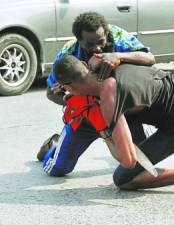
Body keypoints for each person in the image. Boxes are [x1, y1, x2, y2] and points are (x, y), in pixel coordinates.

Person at [52, 55, 174, 194]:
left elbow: (127, 160)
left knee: (123, 178)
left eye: (66, 90)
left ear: (69, 87)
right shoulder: (103, 61)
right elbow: (150, 58)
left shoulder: (108, 99)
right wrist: (119, 55)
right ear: (84, 65)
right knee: (132, 122)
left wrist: (102, 130)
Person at [37, 12, 155, 176]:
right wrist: (73, 98)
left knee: (144, 164)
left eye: (101, 42)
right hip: (88, 114)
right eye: (90, 45)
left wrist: (118, 56)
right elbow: (51, 93)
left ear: (106, 33)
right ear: (79, 41)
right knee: (58, 169)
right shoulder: (68, 54)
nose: (97, 49)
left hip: (121, 109)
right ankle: (52, 146)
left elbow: (149, 58)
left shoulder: (118, 36)